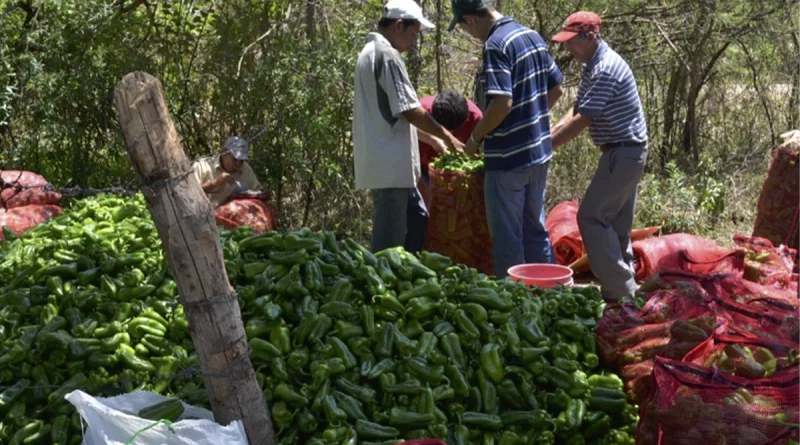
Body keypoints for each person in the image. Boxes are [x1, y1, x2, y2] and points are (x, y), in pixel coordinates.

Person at [449, 0, 564, 278]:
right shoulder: (530, 35)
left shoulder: (496, 44)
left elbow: (502, 103)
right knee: (535, 230)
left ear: (470, 20)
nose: (467, 33)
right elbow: (557, 88)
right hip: (538, 153)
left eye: (463, 27)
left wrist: (475, 138)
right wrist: (531, 116)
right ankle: (549, 295)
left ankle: (515, 306)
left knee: (507, 236)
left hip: (508, 158)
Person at [550, 11, 648, 300]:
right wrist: (551, 129)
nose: (567, 47)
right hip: (621, 152)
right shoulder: (591, 65)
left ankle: (624, 291)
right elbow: (578, 108)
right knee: (616, 224)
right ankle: (621, 293)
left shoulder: (605, 67)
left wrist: (546, 146)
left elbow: (583, 120)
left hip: (625, 151)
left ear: (588, 36)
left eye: (571, 41)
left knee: (591, 217)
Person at [353, 0, 465, 254]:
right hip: (389, 168)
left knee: (418, 218)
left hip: (391, 165)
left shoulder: (370, 53)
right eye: (413, 34)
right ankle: (382, 289)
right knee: (388, 245)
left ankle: (409, 278)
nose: (414, 42)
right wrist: (446, 136)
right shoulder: (387, 56)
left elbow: (396, 115)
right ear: (398, 25)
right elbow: (410, 111)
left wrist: (434, 140)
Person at [417, 89, 483, 186]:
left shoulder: (476, 118)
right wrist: (433, 140)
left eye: (455, 130)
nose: (451, 134)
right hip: (420, 167)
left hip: (458, 174)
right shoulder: (420, 110)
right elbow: (404, 127)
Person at [193, 136, 268, 208]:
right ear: (224, 153)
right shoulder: (202, 166)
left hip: (230, 217)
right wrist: (214, 183)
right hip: (200, 217)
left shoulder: (245, 168)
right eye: (235, 159)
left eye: (241, 160)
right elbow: (187, 194)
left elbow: (257, 189)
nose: (238, 164)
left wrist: (264, 194)